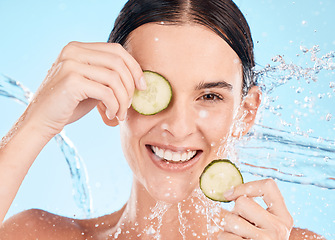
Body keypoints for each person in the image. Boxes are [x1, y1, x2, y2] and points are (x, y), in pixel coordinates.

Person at [0, 0, 325, 239]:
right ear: (108, 99)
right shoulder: (36, 233)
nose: (179, 126)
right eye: (151, 91)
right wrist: (35, 124)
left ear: (246, 112)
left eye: (210, 96)